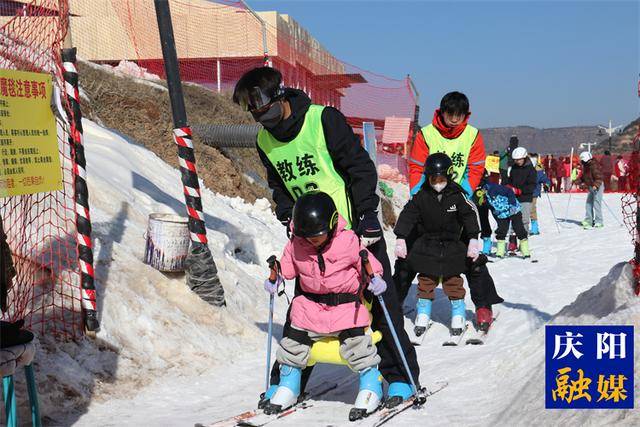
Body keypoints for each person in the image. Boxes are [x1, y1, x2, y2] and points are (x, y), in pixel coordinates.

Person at [233, 67, 419, 409]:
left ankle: (400, 377)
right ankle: (287, 380)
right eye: (253, 112)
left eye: (263, 106)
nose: (261, 117)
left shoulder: (323, 120)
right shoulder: (264, 140)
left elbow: (360, 169)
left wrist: (367, 217)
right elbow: (279, 186)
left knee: (380, 305)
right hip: (309, 238)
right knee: (304, 309)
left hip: (355, 233)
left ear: (279, 96)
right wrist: (288, 213)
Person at [265, 192, 386, 418]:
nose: (312, 241)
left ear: (331, 225)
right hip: (310, 306)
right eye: (307, 236)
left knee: (357, 344)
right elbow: (288, 270)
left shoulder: (348, 241)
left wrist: (376, 278)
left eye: (317, 236)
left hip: (345, 306)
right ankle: (289, 385)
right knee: (292, 342)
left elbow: (370, 263)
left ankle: (371, 386)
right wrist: (276, 278)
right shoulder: (296, 244)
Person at [401, 91, 502, 332]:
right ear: (441, 112)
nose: (454, 119)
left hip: (458, 200)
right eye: (450, 114)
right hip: (428, 198)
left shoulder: (472, 135)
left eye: (459, 115)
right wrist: (419, 194)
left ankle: (483, 306)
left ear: (466, 115)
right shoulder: (426, 133)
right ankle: (393, 305)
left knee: (473, 258)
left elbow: (476, 166)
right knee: (407, 257)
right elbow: (416, 166)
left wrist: (462, 192)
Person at [394, 153, 481, 337]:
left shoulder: (458, 196)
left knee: (453, 280)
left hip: (452, 245)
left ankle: (458, 313)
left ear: (448, 176)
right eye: (434, 178)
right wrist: (400, 237)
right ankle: (423, 312)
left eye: (441, 178)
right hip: (428, 244)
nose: (437, 183)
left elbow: (470, 215)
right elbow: (408, 214)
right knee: (426, 279)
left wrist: (473, 238)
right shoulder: (421, 196)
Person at [477, 176, 530, 258]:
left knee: (518, 228)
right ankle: (500, 251)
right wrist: (496, 213)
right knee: (501, 230)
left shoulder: (494, 188)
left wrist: (512, 204)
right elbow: (491, 206)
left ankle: (525, 250)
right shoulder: (484, 199)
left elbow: (509, 191)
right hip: (501, 214)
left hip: (513, 210)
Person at [506, 147, 537, 233]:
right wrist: (508, 187)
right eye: (516, 160)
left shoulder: (531, 169)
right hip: (514, 198)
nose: (517, 161)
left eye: (519, 159)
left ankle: (523, 241)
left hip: (525, 198)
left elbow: (532, 185)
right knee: (513, 219)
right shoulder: (513, 168)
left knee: (524, 219)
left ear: (524, 158)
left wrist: (520, 190)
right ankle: (513, 240)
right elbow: (510, 180)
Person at [575, 151, 604, 229]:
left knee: (596, 203)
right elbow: (584, 177)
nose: (581, 162)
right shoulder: (586, 166)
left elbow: (599, 177)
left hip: (597, 186)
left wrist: (596, 185)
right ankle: (589, 220)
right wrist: (577, 181)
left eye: (582, 160)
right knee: (588, 203)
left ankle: (599, 221)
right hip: (591, 186)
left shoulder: (594, 166)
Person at [529, 153, 551, 235]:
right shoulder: (523, 167)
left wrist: (546, 185)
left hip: (534, 192)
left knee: (532, 209)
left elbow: (545, 179)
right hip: (523, 192)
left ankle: (535, 228)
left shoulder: (538, 169)